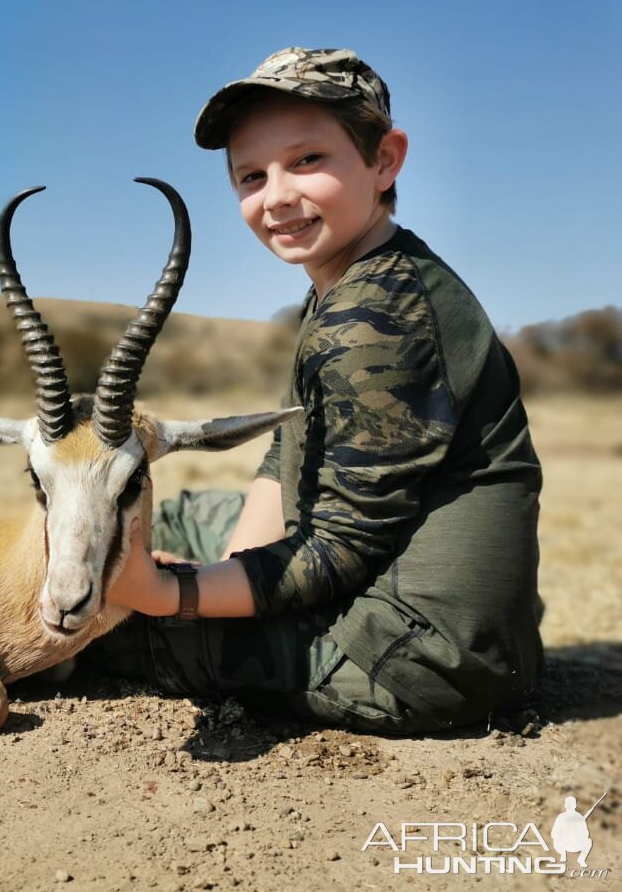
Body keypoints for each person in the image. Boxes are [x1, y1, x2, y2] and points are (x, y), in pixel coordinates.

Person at [89, 47, 543, 734]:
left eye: (307, 160)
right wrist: (221, 572)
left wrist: (171, 593)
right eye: (251, 174)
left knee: (100, 626)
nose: (276, 196)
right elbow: (286, 456)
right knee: (178, 519)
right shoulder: (350, 282)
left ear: (385, 160)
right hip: (401, 603)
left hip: (414, 656)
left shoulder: (377, 317)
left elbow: (338, 550)